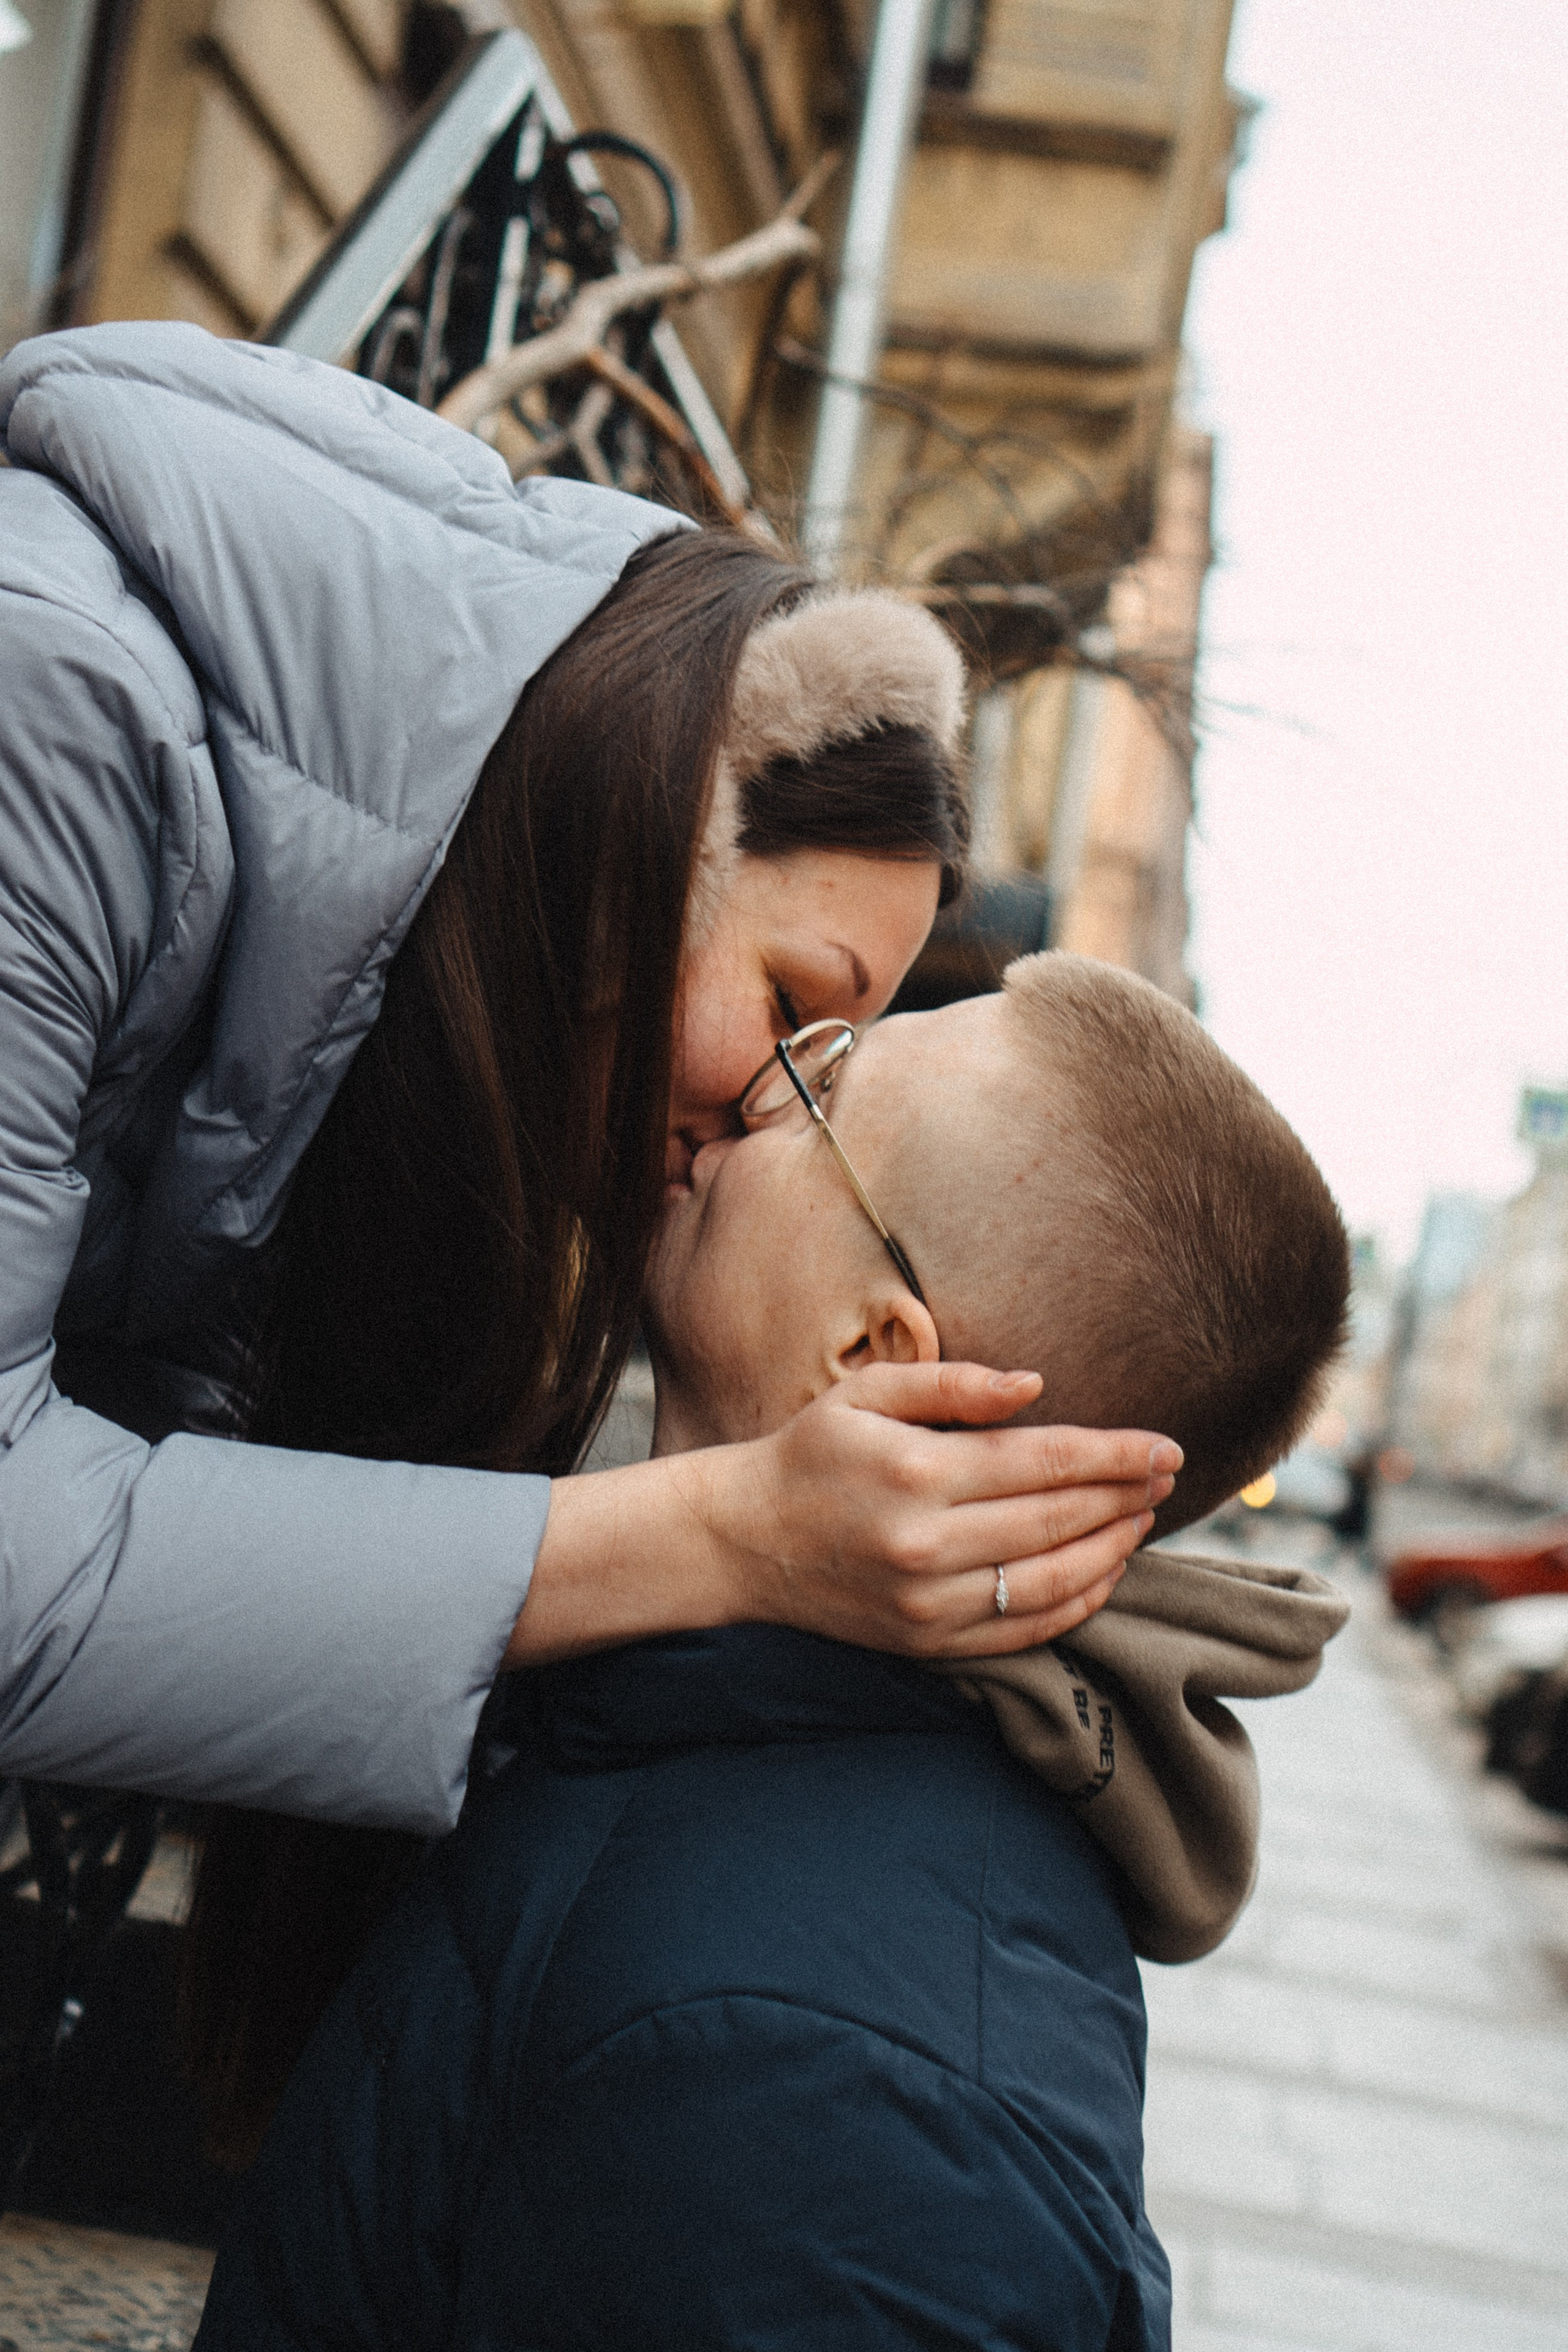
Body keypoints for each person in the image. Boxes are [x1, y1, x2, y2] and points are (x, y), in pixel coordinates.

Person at [0, 322, 1177, 1847]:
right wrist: (726, 1535)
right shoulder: (58, 721)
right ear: (662, 816)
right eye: (791, 1008)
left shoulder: (357, 1024)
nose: (771, 1113)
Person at [193, 954, 1350, 2352]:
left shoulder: (824, 2083)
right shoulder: (723, 1743)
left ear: (873, 1352)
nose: (752, 1092)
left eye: (821, 1090)